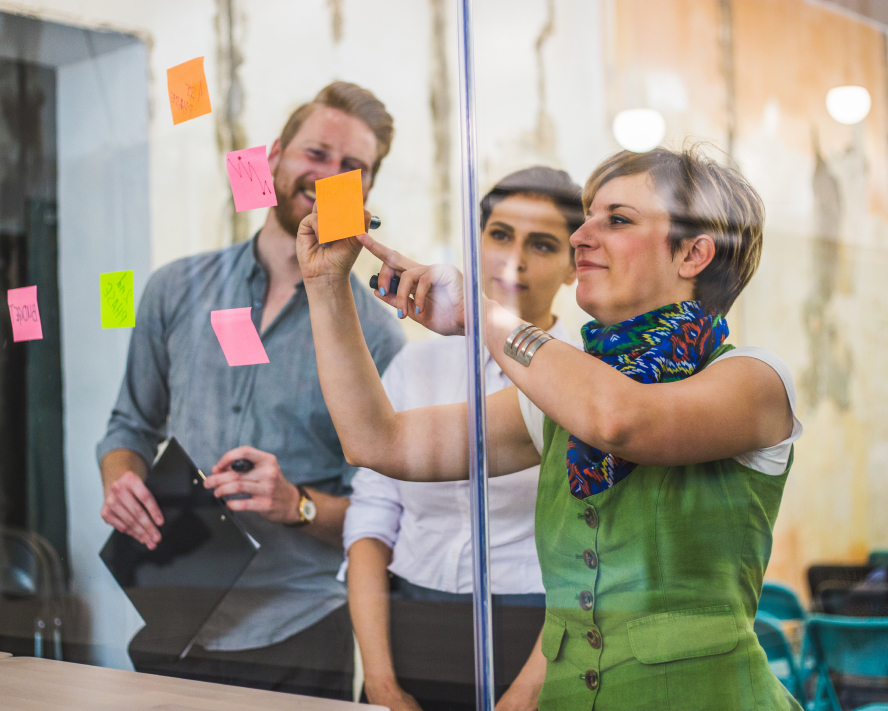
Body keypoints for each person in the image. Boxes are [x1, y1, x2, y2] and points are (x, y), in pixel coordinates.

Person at [295, 145, 805, 710]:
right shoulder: (560, 396)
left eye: (615, 219)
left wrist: (478, 311)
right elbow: (377, 442)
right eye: (586, 217)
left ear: (693, 254)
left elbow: (619, 419)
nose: (581, 237)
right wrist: (326, 286)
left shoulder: (755, 379)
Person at [96, 82, 405, 699]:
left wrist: (298, 503)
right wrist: (120, 481)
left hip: (297, 630)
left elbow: (387, 513)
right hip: (168, 608)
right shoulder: (174, 288)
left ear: (365, 192)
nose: (327, 177)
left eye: (351, 168)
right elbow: (129, 427)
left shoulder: (378, 335)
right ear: (273, 162)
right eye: (315, 153)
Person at [345, 167, 582, 711]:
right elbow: (371, 518)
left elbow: (591, 558)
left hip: (536, 634)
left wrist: (523, 699)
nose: (513, 259)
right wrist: (380, 685)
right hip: (405, 622)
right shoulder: (417, 362)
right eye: (500, 234)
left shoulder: (582, 379)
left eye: (542, 244)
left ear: (574, 266)